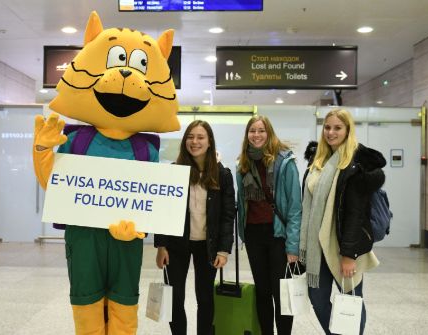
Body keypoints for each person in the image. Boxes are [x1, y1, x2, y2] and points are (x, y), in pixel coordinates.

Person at [299, 109, 386, 335]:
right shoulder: (317, 160)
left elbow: (355, 213)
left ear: (348, 130)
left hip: (344, 247)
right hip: (317, 247)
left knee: (351, 301)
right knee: (317, 299)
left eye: (337, 128)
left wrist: (349, 255)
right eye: (327, 127)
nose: (331, 132)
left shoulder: (354, 163)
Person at [155, 120, 235, 335]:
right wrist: (161, 245)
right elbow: (163, 212)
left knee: (205, 298)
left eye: (200, 137)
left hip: (208, 246)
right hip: (176, 244)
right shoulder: (174, 172)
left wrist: (224, 250)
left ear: (210, 142)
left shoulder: (223, 175)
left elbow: (228, 215)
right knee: (175, 297)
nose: (195, 141)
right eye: (190, 136)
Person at [235, 115, 301, 335]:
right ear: (247, 135)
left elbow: (295, 208)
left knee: (281, 293)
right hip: (254, 235)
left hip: (278, 236)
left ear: (269, 133)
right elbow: (242, 202)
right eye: (252, 131)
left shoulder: (285, 163)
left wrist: (293, 246)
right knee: (262, 292)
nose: (256, 135)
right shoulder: (243, 164)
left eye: (261, 130)